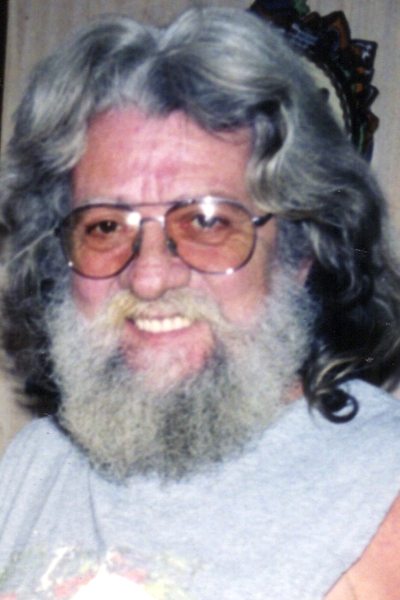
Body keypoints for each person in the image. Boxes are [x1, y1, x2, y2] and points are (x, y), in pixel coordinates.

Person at [0, 5, 399, 599]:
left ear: (300, 253)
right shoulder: (36, 463)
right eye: (105, 226)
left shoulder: (380, 492)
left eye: (207, 222)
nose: (149, 278)